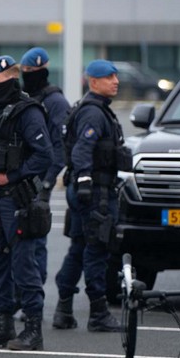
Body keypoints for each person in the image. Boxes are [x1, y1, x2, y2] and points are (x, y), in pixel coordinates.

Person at [0, 55, 53, 351]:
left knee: (24, 267)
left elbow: (45, 155)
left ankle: (32, 329)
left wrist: (10, 177)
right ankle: (3, 325)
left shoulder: (28, 112)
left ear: (12, 79)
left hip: (17, 201)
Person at [52, 59, 130, 333]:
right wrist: (85, 181)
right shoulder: (94, 114)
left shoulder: (93, 110)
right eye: (109, 77)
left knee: (79, 248)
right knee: (97, 249)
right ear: (93, 81)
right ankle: (98, 312)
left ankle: (63, 310)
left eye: (116, 76)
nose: (115, 81)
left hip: (86, 189)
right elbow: (82, 150)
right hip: (94, 192)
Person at [20, 47, 70, 285]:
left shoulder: (56, 101)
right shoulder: (25, 98)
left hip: (40, 180)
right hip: (21, 178)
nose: (27, 75)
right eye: (25, 70)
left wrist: (47, 183)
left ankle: (34, 294)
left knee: (35, 236)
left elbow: (60, 148)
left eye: (32, 71)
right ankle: (22, 293)